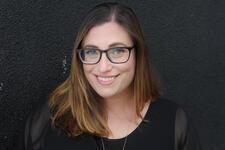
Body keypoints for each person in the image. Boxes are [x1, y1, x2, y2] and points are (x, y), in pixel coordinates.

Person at [17, 2, 201, 150]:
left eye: (117, 51)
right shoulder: (52, 120)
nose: (103, 67)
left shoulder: (172, 123)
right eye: (91, 52)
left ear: (138, 55)